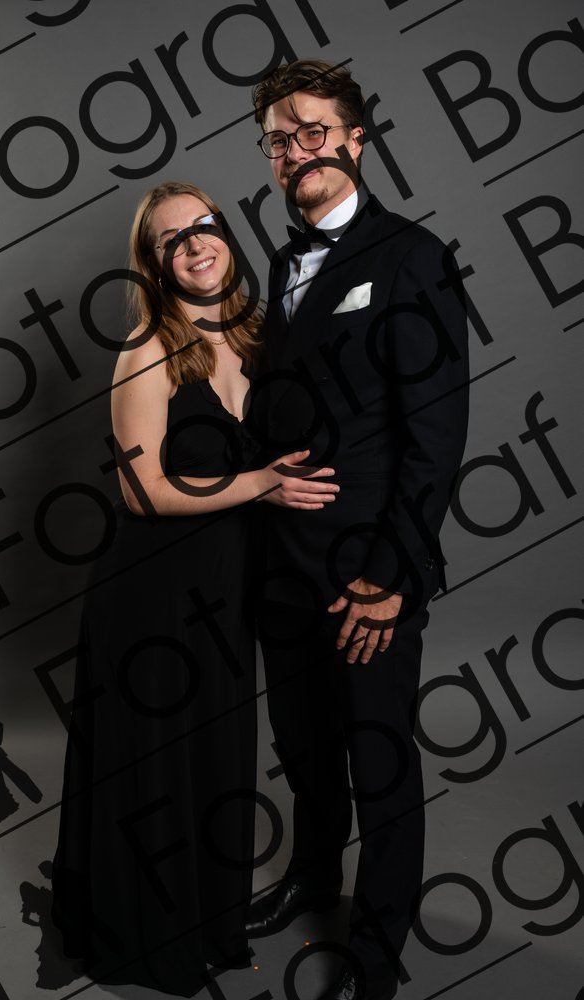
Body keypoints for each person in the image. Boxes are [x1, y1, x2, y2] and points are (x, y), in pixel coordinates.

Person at [50, 180, 335, 997]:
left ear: (226, 235)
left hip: (227, 590)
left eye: (204, 227)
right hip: (152, 591)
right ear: (154, 263)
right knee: (156, 766)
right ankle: (145, 938)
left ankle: (208, 923)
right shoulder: (148, 350)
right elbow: (141, 493)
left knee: (211, 758)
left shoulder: (257, 335)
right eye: (173, 240)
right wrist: (262, 484)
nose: (195, 245)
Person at [244, 61, 469, 1000]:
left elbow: (436, 435)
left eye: (313, 132)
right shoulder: (279, 259)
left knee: (378, 761)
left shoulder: (413, 257)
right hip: (283, 562)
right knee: (303, 746)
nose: (296, 152)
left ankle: (375, 954)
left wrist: (391, 576)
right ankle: (312, 876)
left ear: (356, 139)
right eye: (278, 140)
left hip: (365, 571)